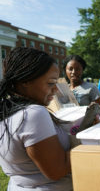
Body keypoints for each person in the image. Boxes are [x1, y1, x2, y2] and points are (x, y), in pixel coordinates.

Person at [0, 47, 72, 190]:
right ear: (26, 81)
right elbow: (56, 170)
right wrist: (87, 143)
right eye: (51, 83)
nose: (56, 89)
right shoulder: (33, 113)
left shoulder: (7, 110)